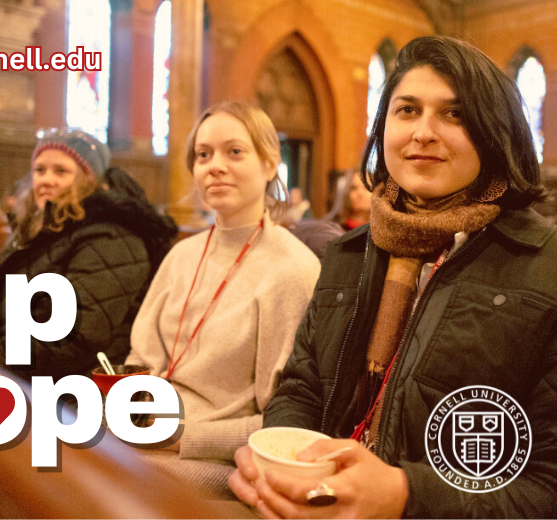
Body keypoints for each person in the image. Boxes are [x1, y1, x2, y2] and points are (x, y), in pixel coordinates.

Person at [229, 36, 557, 519]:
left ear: (496, 132)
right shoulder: (349, 253)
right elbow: (301, 389)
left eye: (455, 114)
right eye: (407, 110)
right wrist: (276, 460)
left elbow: (547, 485)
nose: (423, 132)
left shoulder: (542, 264)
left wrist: (406, 496)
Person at [127, 102, 321, 497]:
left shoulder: (291, 271)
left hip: (212, 459)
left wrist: (182, 437)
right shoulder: (182, 254)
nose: (215, 166)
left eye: (234, 152)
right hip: (144, 431)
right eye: (203, 155)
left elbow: (283, 425)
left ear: (269, 164)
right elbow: (139, 361)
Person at [0, 128, 177, 380]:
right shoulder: (38, 228)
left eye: (61, 171)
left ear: (90, 179)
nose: (46, 179)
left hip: (77, 386)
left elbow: (73, 339)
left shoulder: (112, 238)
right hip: (20, 369)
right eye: (39, 170)